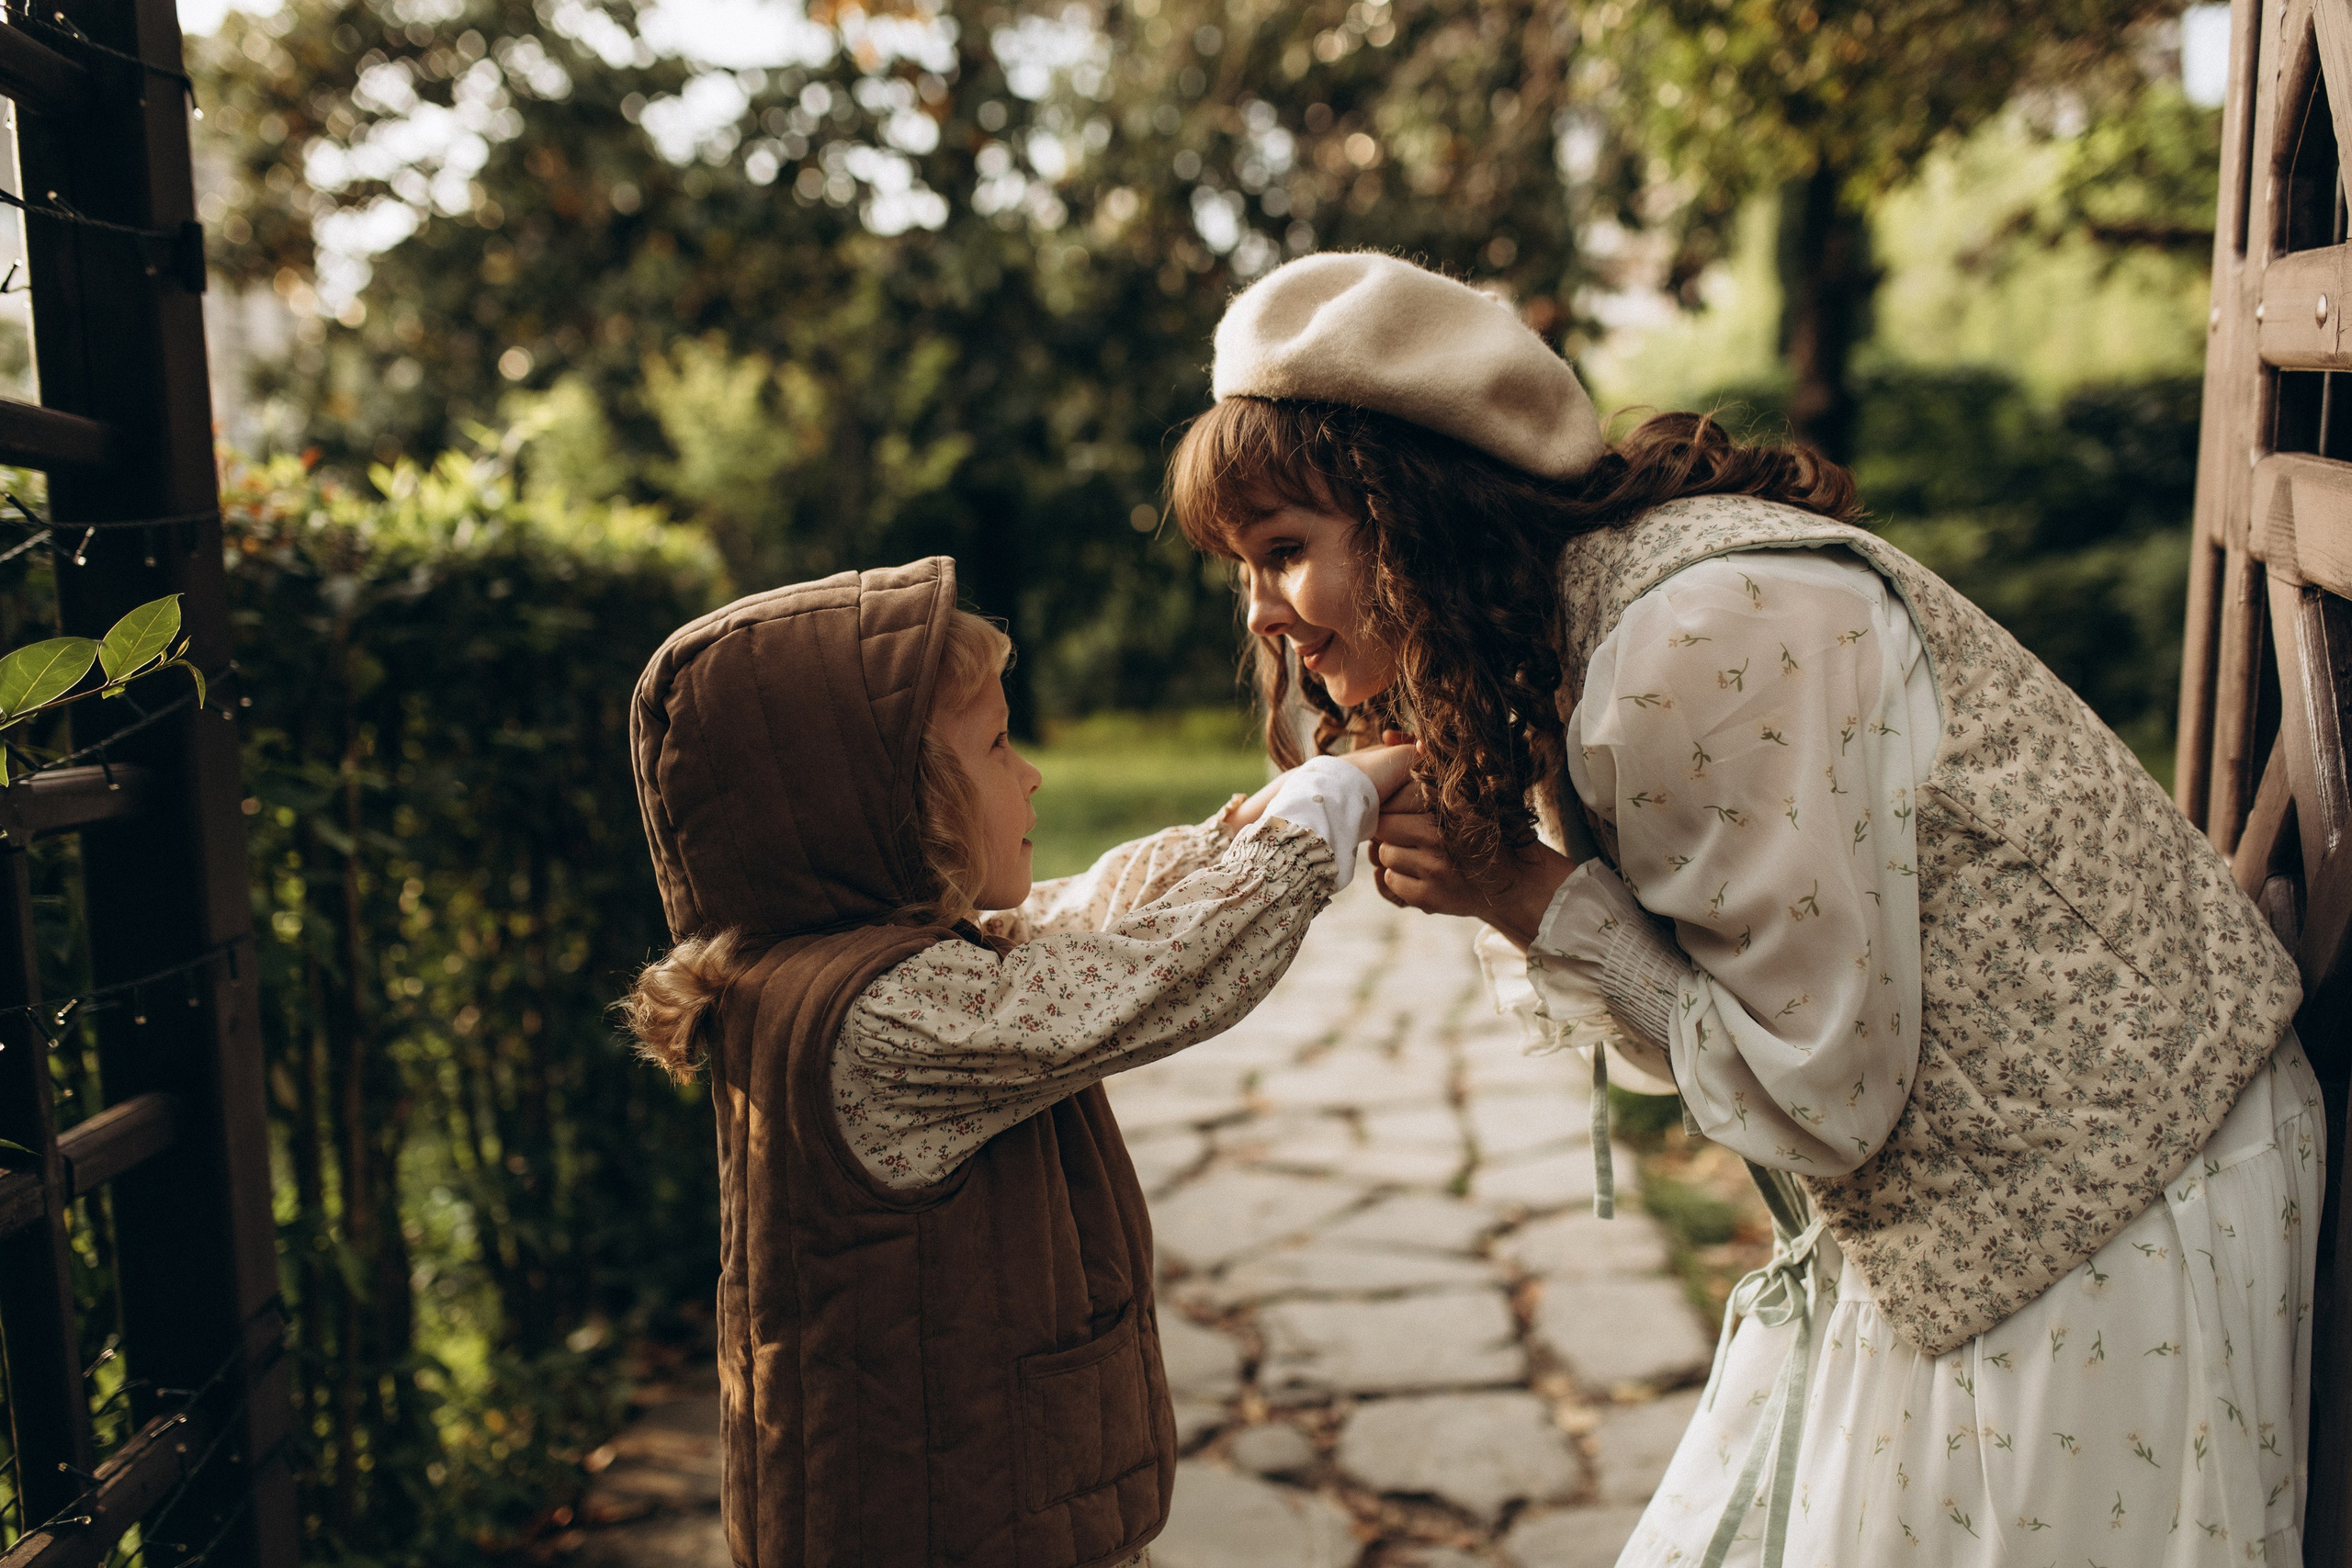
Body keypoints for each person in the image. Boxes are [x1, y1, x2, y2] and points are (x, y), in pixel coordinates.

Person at [1168, 252, 2319, 1566]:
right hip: (1978, 1212)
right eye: (1243, 566)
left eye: (1282, 551)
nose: (1265, 614)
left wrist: (1534, 895)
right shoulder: (1595, 629)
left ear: (1413, 510)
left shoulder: (1697, 636)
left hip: (2116, 1201)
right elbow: (1769, 1045)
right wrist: (1522, 891)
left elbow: (1821, 1094)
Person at [618, 557, 1409, 1568]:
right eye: (995, 744)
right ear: (877, 807)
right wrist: (1325, 809)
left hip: (974, 1501)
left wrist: (1265, 815)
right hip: (939, 1526)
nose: (1028, 772)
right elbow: (1148, 977)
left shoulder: (884, 958)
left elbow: (1091, 918)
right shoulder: (875, 1017)